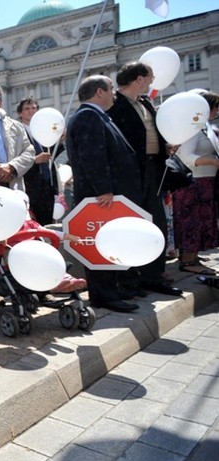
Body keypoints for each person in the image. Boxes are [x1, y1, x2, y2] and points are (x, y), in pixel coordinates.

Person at [65, 75, 143, 313]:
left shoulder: (96, 115)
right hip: (99, 197)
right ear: (99, 92)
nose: (114, 94)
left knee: (110, 243)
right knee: (100, 245)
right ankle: (104, 295)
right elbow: (93, 156)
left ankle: (112, 290)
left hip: (105, 196)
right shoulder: (88, 116)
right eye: (111, 89)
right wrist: (104, 189)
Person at [107, 61, 181, 297]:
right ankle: (130, 279)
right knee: (131, 226)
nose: (152, 80)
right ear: (139, 79)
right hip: (127, 176)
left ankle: (153, 276)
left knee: (156, 224)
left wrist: (164, 147)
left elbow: (152, 133)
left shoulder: (146, 103)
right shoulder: (114, 104)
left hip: (153, 171)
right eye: (150, 76)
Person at [174, 90, 219, 275]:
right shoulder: (191, 128)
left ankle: (192, 256)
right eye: (215, 107)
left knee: (200, 221)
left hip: (204, 182)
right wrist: (214, 162)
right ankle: (188, 261)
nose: (217, 111)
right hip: (194, 183)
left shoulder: (202, 126)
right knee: (192, 221)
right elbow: (186, 156)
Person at [17, 97, 60, 225]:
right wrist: (34, 160)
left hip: (47, 185)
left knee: (49, 223)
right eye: (27, 109)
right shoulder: (18, 131)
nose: (31, 111)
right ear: (20, 113)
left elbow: (53, 155)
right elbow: (16, 158)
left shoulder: (44, 129)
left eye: (33, 108)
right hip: (30, 185)